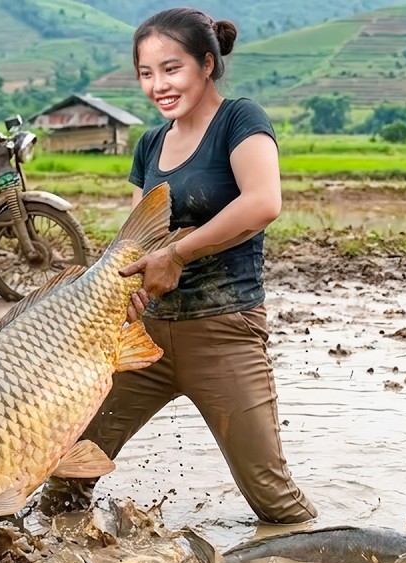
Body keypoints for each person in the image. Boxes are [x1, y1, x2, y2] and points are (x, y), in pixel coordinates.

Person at [40, 7, 318, 524]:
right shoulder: (150, 144)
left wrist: (177, 254)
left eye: (172, 69)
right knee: (67, 477)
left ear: (206, 64)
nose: (158, 85)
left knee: (274, 500)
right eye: (146, 73)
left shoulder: (239, 120)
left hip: (224, 333)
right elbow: (134, 242)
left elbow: (263, 203)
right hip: (142, 343)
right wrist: (123, 293)